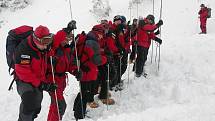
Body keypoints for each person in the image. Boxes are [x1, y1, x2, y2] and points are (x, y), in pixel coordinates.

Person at [14, 25, 57, 121]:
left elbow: (56, 41)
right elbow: (23, 72)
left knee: (36, 106)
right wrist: (41, 84)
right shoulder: (24, 49)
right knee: (29, 102)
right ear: (36, 40)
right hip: (24, 80)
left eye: (47, 42)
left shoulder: (44, 46)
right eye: (43, 43)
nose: (45, 46)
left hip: (39, 78)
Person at [45, 20, 81, 121]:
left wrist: (75, 72)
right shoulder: (54, 47)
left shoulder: (66, 49)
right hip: (52, 81)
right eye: (65, 38)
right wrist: (68, 29)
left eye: (69, 39)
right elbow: (57, 38)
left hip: (60, 81)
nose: (67, 41)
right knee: (60, 106)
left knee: (55, 105)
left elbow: (69, 65)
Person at [73, 24, 107, 120]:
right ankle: (79, 115)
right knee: (84, 94)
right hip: (87, 72)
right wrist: (106, 58)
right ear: (99, 32)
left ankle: (77, 110)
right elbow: (96, 60)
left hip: (84, 69)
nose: (102, 36)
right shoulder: (93, 42)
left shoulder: (88, 39)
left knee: (82, 92)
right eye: (102, 34)